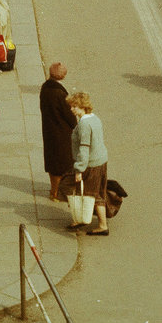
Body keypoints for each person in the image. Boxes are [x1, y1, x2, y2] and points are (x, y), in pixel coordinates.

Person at [68, 92, 110, 235]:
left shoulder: (84, 124)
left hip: (91, 164)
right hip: (101, 160)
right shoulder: (94, 118)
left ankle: (102, 225)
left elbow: (84, 148)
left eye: (74, 106)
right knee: (96, 192)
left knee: (92, 194)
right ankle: (83, 219)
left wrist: (79, 169)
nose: (72, 109)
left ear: (83, 106)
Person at [40, 63, 76, 202]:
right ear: (63, 76)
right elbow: (70, 116)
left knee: (52, 162)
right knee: (61, 163)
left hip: (49, 129)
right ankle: (56, 192)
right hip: (61, 133)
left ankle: (53, 189)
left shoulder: (45, 87)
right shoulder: (60, 93)